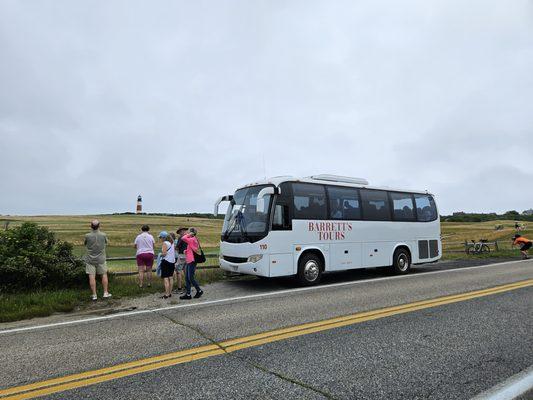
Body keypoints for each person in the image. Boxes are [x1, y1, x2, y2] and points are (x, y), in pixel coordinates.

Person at [84, 220, 111, 301]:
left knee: (91, 276)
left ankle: (94, 295)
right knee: (103, 274)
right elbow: (107, 242)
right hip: (101, 259)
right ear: (99, 226)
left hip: (90, 259)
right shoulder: (103, 235)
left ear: (91, 226)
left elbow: (85, 243)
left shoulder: (87, 235)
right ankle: (105, 292)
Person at [179, 227, 203, 300]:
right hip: (189, 260)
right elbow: (193, 248)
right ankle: (188, 294)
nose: (187, 233)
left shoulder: (192, 239)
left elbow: (183, 238)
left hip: (192, 261)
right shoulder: (194, 239)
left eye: (188, 231)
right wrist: (186, 251)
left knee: (191, 278)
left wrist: (189, 235)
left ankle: (199, 290)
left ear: (192, 233)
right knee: (187, 278)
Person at [158, 231, 175, 299]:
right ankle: (170, 293)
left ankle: (166, 294)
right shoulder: (172, 243)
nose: (160, 239)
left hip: (166, 262)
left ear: (163, 237)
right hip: (172, 262)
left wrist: (160, 254)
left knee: (165, 278)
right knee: (170, 277)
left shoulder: (165, 243)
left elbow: (164, 254)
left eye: (160, 237)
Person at [173, 227, 188, 294]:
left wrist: (175, 248)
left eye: (179, 232)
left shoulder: (181, 238)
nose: (179, 234)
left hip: (182, 255)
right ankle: (187, 286)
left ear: (181, 231)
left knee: (178, 271)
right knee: (186, 271)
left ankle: (179, 288)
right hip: (188, 256)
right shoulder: (189, 237)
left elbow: (177, 247)